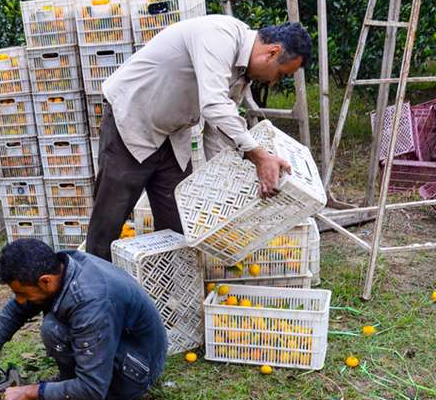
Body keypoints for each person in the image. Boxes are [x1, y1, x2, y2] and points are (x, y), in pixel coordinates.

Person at [85, 16, 313, 260]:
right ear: (272, 52)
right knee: (110, 218)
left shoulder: (242, 73)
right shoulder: (219, 35)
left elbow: (217, 129)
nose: (273, 81)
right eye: (279, 73)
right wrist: (259, 156)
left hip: (173, 133)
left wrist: (223, 184)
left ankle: (170, 291)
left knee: (177, 220)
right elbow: (214, 105)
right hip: (132, 119)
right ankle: (93, 287)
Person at [0, 239, 167, 400]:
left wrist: (30, 392)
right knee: (53, 326)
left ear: (45, 281)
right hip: (121, 340)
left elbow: (93, 388)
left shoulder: (91, 301)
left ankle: (111, 393)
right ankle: (71, 383)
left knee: (53, 330)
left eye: (22, 293)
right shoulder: (60, 265)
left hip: (137, 368)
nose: (19, 299)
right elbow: (17, 309)